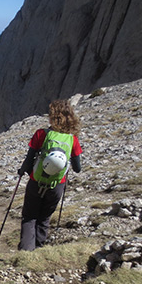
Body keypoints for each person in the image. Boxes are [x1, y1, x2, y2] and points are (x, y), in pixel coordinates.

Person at [16, 99, 82, 251]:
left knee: (29, 216)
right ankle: (38, 250)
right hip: (57, 185)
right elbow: (77, 168)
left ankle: (26, 252)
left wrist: (22, 171)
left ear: (53, 117)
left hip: (36, 181)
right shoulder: (73, 140)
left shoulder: (42, 134)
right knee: (44, 218)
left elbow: (29, 158)